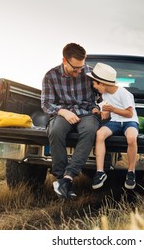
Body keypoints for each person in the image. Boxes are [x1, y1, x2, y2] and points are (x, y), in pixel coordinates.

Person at [41, 43, 100, 199]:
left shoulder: (90, 72)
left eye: (81, 67)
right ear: (64, 61)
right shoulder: (50, 76)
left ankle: (68, 177)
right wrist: (63, 112)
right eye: (75, 68)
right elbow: (46, 104)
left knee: (90, 131)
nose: (79, 71)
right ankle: (61, 179)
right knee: (55, 130)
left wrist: (99, 107)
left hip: (86, 112)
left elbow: (103, 94)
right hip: (62, 112)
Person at [86, 62, 139, 189]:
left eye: (95, 83)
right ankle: (100, 172)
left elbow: (129, 113)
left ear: (102, 83)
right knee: (100, 134)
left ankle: (131, 172)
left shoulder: (124, 93)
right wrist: (100, 112)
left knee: (131, 137)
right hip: (114, 122)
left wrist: (113, 109)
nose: (94, 86)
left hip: (129, 122)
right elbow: (107, 114)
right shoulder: (104, 95)